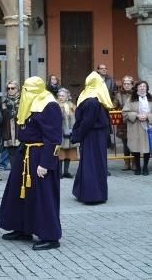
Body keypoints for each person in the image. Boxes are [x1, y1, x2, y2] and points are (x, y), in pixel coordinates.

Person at [0, 76, 62, 251]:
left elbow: (54, 138)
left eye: (27, 89)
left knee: (43, 196)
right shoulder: (30, 104)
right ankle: (22, 227)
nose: (23, 92)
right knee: (19, 192)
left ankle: (50, 236)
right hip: (25, 152)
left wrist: (45, 163)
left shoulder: (50, 106)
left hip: (40, 155)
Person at [71, 72, 113, 204]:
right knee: (92, 163)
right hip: (95, 135)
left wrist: (77, 135)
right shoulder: (94, 100)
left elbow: (87, 122)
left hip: (92, 136)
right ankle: (85, 191)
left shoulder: (91, 101)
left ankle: (92, 195)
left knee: (91, 164)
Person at [123, 80, 152, 176]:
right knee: (136, 148)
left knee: (147, 148)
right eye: (140, 86)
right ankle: (138, 167)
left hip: (148, 127)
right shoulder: (131, 99)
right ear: (137, 88)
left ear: (147, 88)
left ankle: (145, 167)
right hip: (135, 126)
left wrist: (148, 116)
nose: (142, 88)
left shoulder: (151, 98)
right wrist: (136, 115)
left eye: (144, 86)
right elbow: (125, 112)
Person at [114, 76, 135, 171]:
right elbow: (114, 106)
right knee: (125, 143)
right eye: (125, 83)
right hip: (123, 122)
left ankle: (135, 162)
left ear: (132, 84)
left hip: (134, 121)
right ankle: (127, 162)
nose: (127, 85)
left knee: (134, 142)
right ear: (122, 85)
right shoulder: (118, 95)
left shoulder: (135, 94)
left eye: (129, 83)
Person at [56, 88, 77, 178]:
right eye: (59, 95)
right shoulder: (55, 106)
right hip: (60, 132)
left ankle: (66, 171)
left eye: (62, 95)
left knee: (69, 152)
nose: (60, 97)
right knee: (60, 152)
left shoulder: (72, 106)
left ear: (67, 97)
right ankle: (59, 172)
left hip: (70, 131)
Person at [0, 80, 20, 171]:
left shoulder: (22, 100)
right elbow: (0, 116)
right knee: (10, 151)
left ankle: (20, 171)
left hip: (19, 129)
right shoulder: (3, 101)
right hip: (7, 129)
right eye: (8, 88)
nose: (10, 90)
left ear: (17, 89)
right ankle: (14, 171)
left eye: (13, 88)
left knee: (20, 152)